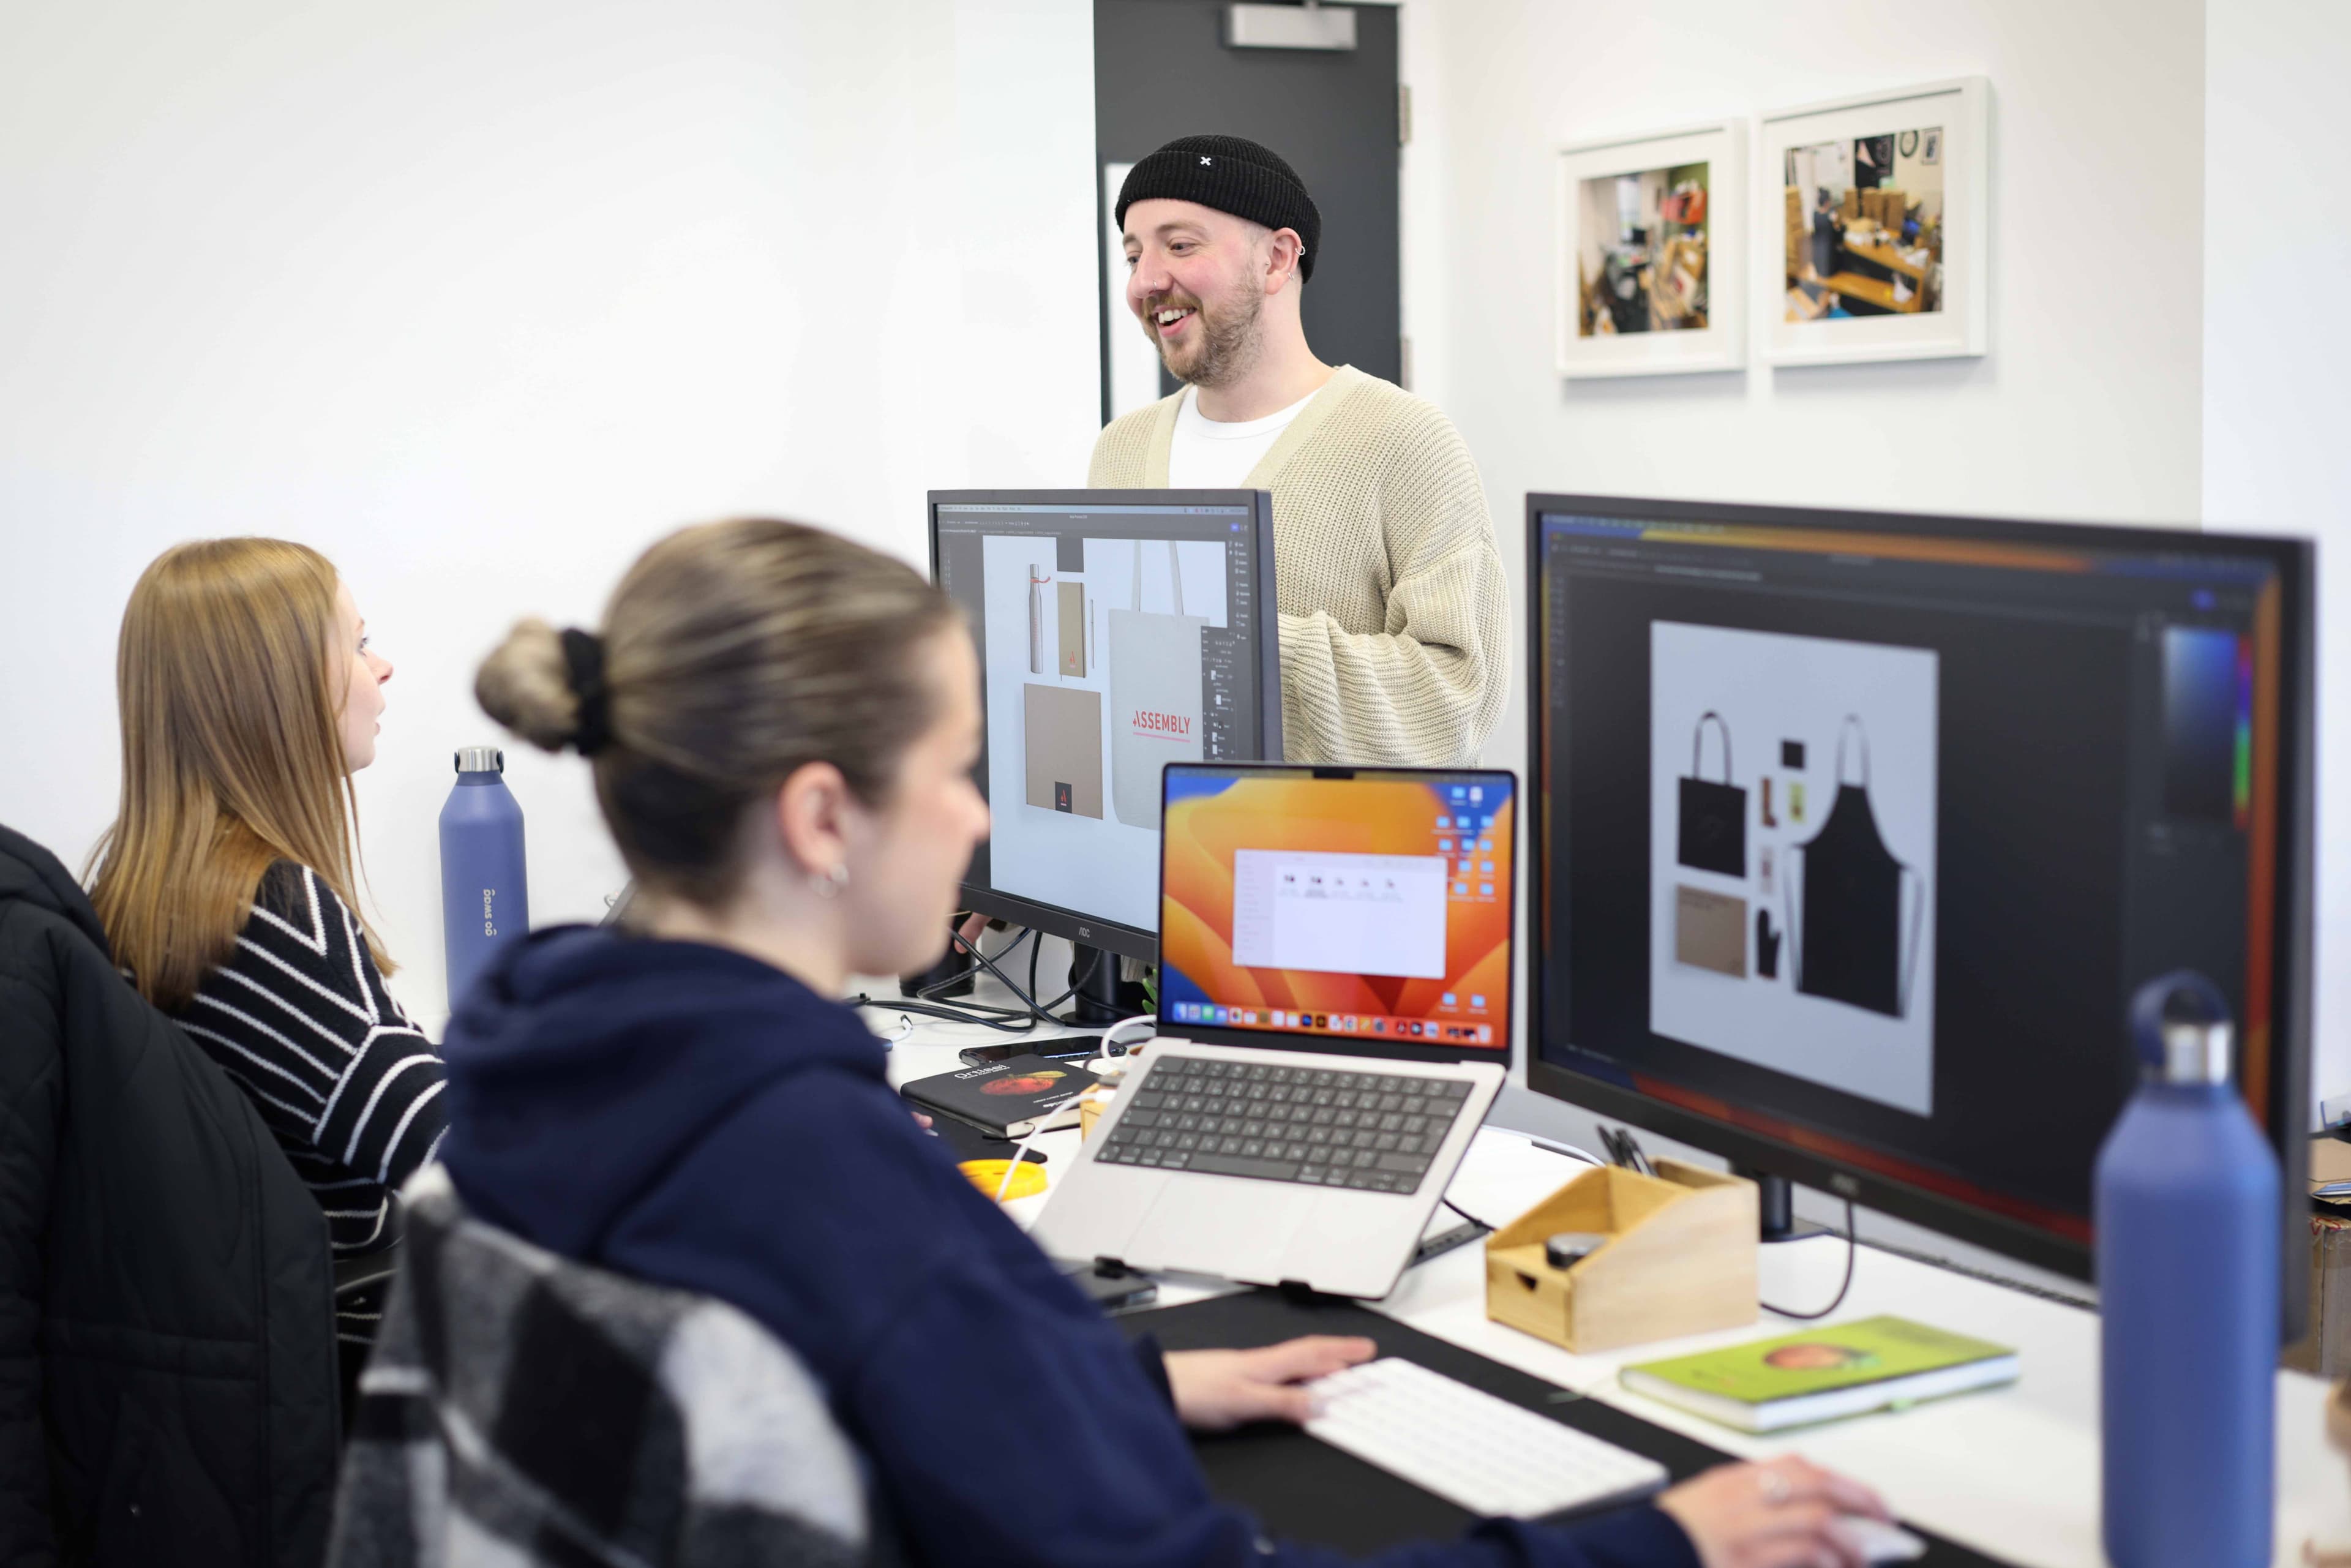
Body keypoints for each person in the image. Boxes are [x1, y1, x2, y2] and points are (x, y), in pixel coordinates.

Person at [447, 515, 1891, 1568]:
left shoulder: (552, 1058)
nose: (983, 818)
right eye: (956, 771)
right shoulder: (814, 1169)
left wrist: (1102, 1383)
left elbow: (867, 1376)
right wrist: (1659, 1544)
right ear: (822, 817)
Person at [87, 538, 443, 1396]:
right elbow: (450, 1148)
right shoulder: (271, 915)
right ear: (275, 690)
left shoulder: (147, 890)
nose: (383, 668)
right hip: (330, 1375)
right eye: (357, 644)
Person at [1092, 135, 1507, 768]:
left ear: (1278, 260)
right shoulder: (1119, 451)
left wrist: (1238, 647)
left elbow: (1459, 698)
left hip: (1331, 858)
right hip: (1153, 851)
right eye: (1132, 255)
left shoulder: (1406, 443)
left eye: (1180, 245)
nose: (1146, 281)